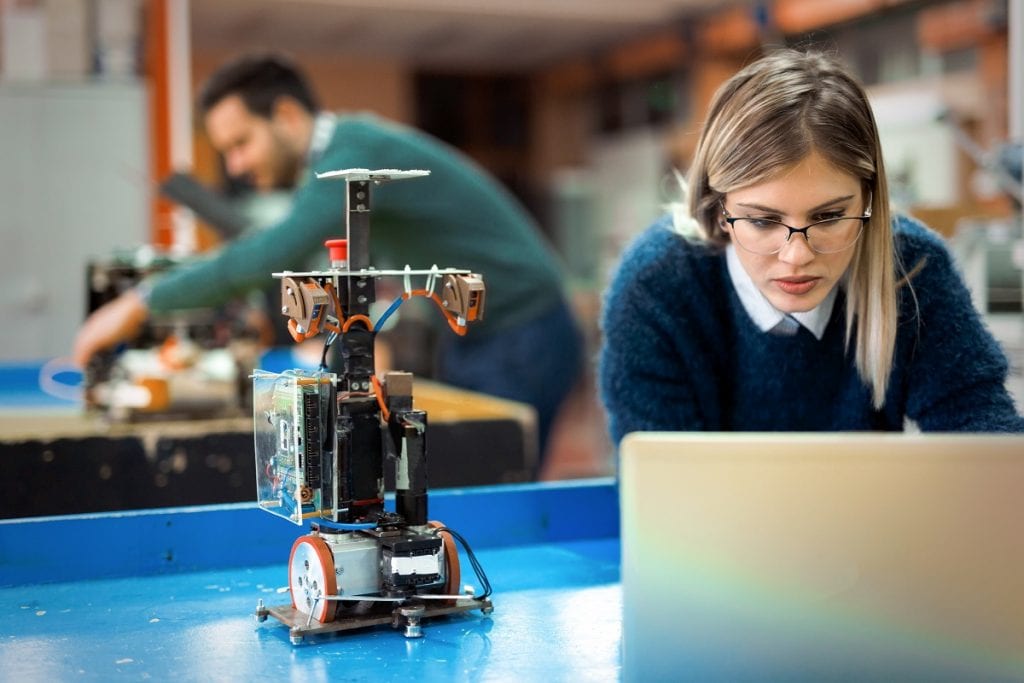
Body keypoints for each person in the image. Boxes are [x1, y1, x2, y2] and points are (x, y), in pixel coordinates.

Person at [73, 52, 583, 468]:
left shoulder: (349, 157)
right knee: (462, 485)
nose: (236, 165)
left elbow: (267, 254)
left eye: (241, 144)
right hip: (479, 335)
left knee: (490, 490)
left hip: (523, 330)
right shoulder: (346, 153)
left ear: (287, 117)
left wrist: (140, 303)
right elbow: (347, 290)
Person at [599, 49, 1024, 444]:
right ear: (718, 208)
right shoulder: (655, 286)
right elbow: (659, 488)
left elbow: (983, 439)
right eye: (763, 221)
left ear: (870, 200)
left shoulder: (913, 266)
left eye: (829, 217)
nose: (796, 256)